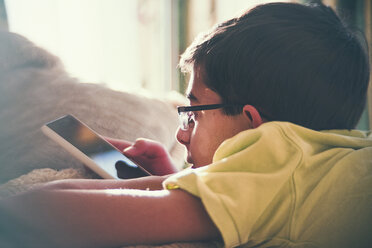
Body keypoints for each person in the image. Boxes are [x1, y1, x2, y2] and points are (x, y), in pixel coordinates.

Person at [1, 1, 372, 247]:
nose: (181, 132)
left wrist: (164, 186)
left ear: (252, 122)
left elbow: (43, 213)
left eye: (192, 112)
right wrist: (171, 177)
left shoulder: (274, 156)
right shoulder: (321, 159)